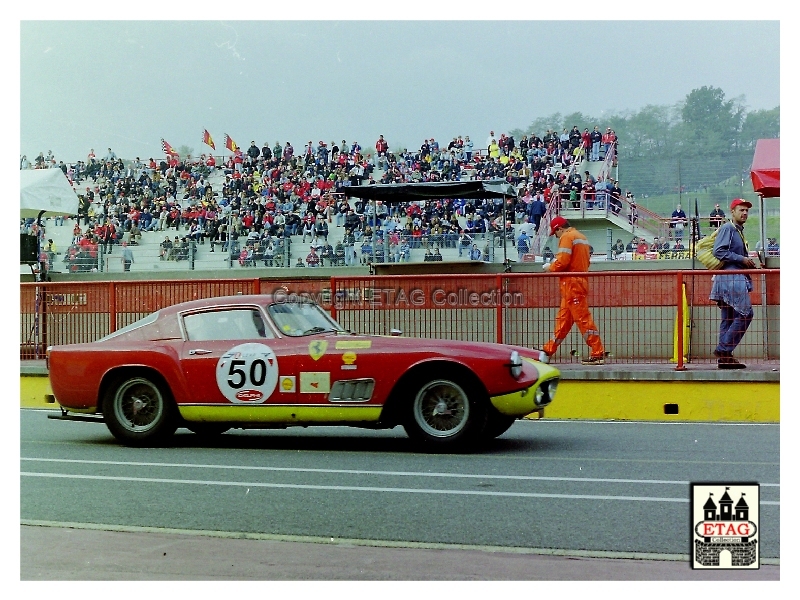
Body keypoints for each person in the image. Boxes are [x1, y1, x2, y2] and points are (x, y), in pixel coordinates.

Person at [542, 216, 605, 365]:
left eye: (555, 233)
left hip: (571, 284)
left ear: (559, 229)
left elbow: (562, 262)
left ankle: (598, 353)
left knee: (583, 319)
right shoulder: (581, 237)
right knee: (563, 320)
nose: (556, 237)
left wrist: (549, 267)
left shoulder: (567, 237)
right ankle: (547, 351)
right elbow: (584, 261)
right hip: (578, 282)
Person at [709, 199, 758, 369]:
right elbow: (719, 251)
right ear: (732, 212)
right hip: (731, 278)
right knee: (746, 314)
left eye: (746, 211)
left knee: (728, 318)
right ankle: (723, 350)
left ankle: (725, 359)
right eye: (741, 210)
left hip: (728, 278)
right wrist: (742, 259)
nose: (744, 213)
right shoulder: (728, 228)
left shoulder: (736, 230)